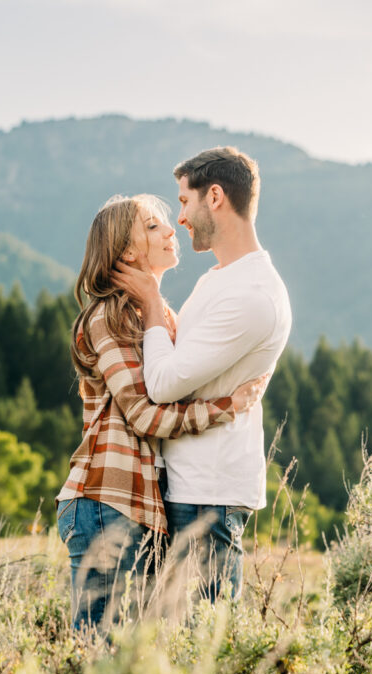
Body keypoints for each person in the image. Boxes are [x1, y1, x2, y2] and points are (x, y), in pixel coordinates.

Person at [55, 193, 268, 632]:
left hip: (143, 510)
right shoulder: (108, 318)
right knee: (97, 651)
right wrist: (225, 407)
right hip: (104, 501)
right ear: (127, 251)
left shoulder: (160, 316)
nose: (171, 230)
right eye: (153, 226)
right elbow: (145, 416)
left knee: (130, 654)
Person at [112, 147, 292, 603]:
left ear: (214, 197)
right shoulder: (218, 279)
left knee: (205, 644)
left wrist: (152, 302)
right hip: (185, 485)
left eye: (184, 202)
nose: (180, 219)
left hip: (209, 496)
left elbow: (164, 384)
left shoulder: (253, 295)